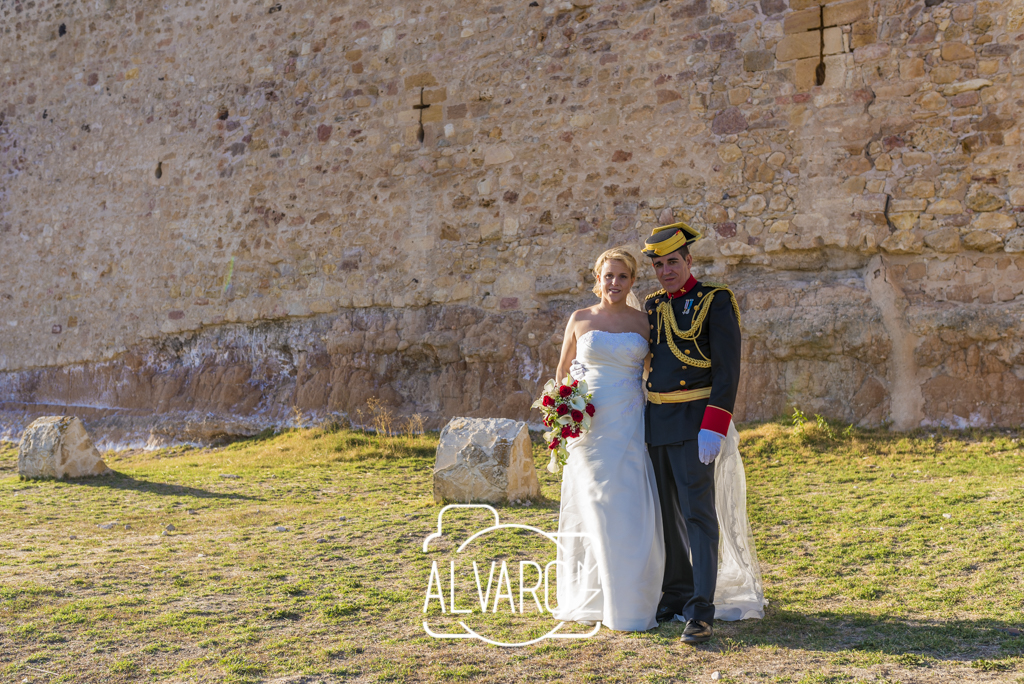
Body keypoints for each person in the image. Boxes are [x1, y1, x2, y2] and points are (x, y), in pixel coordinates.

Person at [639, 221, 765, 644]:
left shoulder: (715, 300)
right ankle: (675, 594)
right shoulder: (653, 305)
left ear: (689, 260)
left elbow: (728, 371)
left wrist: (715, 424)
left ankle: (700, 611)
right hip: (657, 422)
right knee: (667, 515)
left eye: (673, 262)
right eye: (659, 265)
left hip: (696, 422)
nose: (666, 271)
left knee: (698, 515)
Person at [551, 247, 665, 631]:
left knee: (627, 505)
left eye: (622, 276)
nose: (614, 283)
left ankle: (630, 601)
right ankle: (593, 595)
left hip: (629, 423)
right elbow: (563, 373)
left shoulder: (644, 322)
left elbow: (654, 372)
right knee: (594, 504)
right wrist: (563, 412)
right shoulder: (580, 318)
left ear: (632, 281)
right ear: (597, 279)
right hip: (588, 427)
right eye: (608, 276)